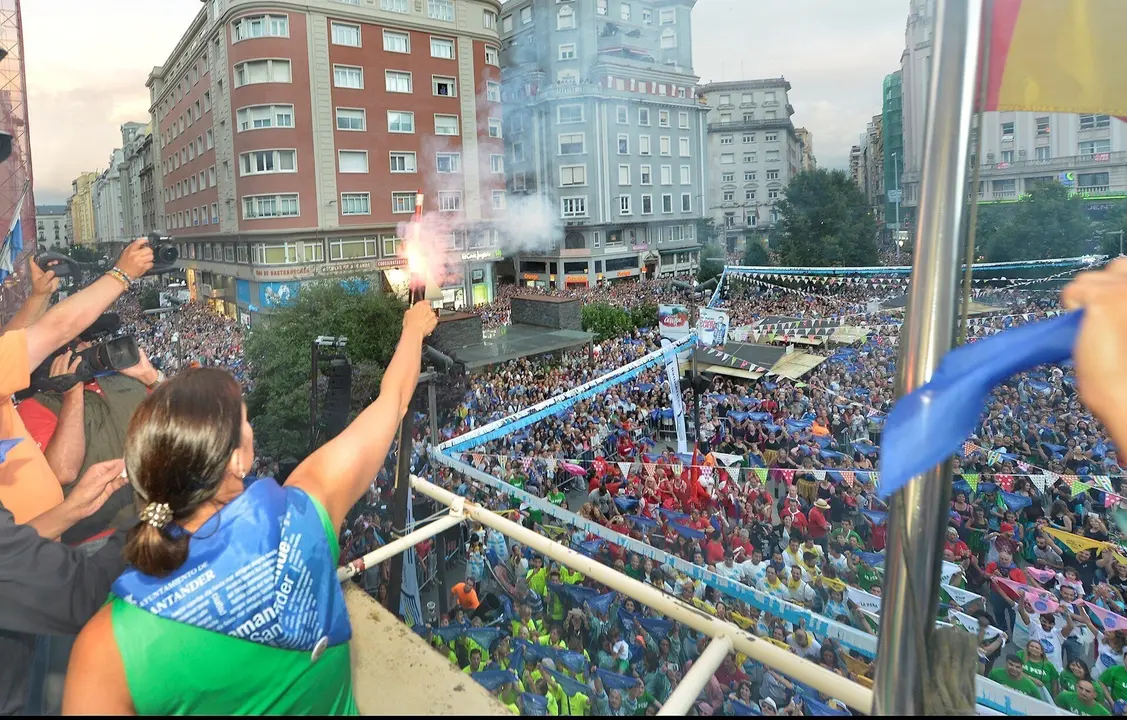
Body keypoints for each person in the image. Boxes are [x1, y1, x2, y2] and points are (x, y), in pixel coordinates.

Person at [61, 301, 437, 714]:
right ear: (238, 461)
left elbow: (184, 453)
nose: (252, 428)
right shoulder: (305, 515)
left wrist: (158, 385)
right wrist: (413, 328)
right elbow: (394, 399)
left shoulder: (104, 649)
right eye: (244, 421)